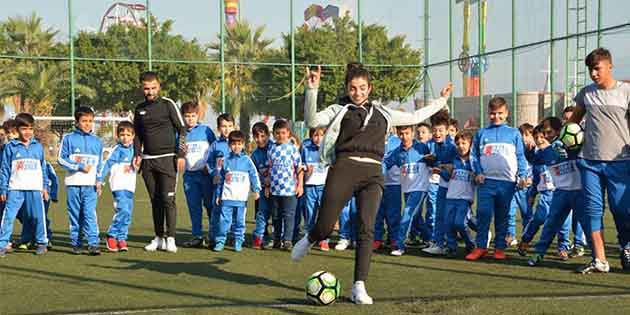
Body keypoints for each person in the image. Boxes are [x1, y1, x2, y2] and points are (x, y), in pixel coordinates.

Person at [291, 63, 452, 304]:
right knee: (325, 226)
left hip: (373, 174)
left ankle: (359, 286)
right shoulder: (340, 109)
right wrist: (312, 89)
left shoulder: (383, 113)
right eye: (353, 88)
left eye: (362, 88)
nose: (357, 92)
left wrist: (440, 101)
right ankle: (311, 237)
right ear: (347, 88)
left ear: (370, 88)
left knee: (367, 228)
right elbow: (313, 120)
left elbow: (415, 116)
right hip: (344, 168)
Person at [560, 48, 630, 273]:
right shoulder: (586, 93)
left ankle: (626, 246)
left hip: (620, 161)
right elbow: (573, 122)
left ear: (610, 66)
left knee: (622, 210)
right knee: (592, 210)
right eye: (590, 69)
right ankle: (600, 259)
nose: (593, 73)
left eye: (597, 68)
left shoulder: (626, 92)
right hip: (589, 162)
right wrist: (569, 136)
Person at [466, 96, 529, 261]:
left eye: (500, 113)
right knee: (483, 214)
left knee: (503, 216)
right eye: (493, 113)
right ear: (488, 113)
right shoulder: (482, 133)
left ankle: (499, 248)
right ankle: (480, 247)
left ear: (506, 113)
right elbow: (473, 156)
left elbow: (521, 157)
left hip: (507, 183)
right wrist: (478, 172)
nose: (496, 117)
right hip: (486, 182)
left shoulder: (514, 133)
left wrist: (523, 176)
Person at [133, 71, 187, 253]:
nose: (150, 91)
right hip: (148, 162)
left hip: (168, 160)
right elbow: (138, 135)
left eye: (153, 88)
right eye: (146, 88)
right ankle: (158, 238)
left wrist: (180, 154)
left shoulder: (168, 104)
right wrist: (137, 154)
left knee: (167, 199)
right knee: (155, 201)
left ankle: (171, 238)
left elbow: (182, 130)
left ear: (159, 86)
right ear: (142, 88)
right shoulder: (139, 109)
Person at [527, 117, 587, 266]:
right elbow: (534, 160)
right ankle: (539, 253)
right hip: (560, 192)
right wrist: (527, 150)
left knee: (588, 224)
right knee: (551, 224)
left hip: (579, 191)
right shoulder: (546, 151)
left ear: (559, 131)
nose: (546, 136)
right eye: (544, 133)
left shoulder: (571, 144)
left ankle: (597, 256)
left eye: (549, 132)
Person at [516, 125, 571, 259]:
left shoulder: (557, 150)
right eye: (536, 138)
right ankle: (525, 240)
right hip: (547, 193)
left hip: (562, 191)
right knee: (539, 218)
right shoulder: (538, 156)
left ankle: (562, 247)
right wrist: (533, 194)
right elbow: (536, 177)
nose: (539, 140)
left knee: (564, 222)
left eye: (542, 137)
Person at [0, 113, 49, 257]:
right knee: (8, 216)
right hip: (15, 189)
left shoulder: (38, 147)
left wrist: (44, 187)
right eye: (24, 128)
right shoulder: (10, 147)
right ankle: (2, 244)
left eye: (30, 129)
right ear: (17, 129)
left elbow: (43, 168)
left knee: (38, 217)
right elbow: (4, 170)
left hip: (34, 189)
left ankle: (42, 242)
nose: (27, 132)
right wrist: (3, 189)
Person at [58, 106, 103, 255]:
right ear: (77, 122)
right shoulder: (68, 138)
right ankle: (76, 243)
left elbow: (100, 164)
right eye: (84, 121)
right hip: (73, 185)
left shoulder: (97, 141)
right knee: (75, 214)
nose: (88, 124)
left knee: (90, 213)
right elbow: (61, 159)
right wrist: (78, 166)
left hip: (90, 187)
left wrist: (99, 181)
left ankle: (93, 243)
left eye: (90, 121)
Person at [383, 125, 431, 256]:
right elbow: (385, 163)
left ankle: (399, 246)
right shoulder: (397, 152)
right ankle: (430, 239)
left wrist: (435, 163)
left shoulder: (422, 147)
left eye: (407, 133)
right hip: (407, 189)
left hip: (420, 188)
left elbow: (434, 158)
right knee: (415, 218)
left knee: (407, 214)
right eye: (401, 134)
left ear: (412, 133)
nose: (404, 137)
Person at [213, 130, 261, 252]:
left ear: (243, 145)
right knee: (224, 221)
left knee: (240, 222)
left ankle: (238, 240)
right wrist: (218, 195)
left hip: (241, 199)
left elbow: (254, 175)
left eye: (239, 144)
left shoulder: (247, 160)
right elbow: (220, 179)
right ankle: (220, 241)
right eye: (234, 144)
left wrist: (256, 190)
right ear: (229, 145)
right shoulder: (225, 160)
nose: (236, 146)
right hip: (227, 198)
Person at [180, 102, 216, 248]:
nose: (190, 119)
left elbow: (215, 149)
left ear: (198, 115)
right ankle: (197, 236)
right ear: (182, 117)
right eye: (187, 116)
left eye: (193, 116)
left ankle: (214, 235)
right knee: (194, 207)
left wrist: (210, 167)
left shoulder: (206, 130)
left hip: (206, 175)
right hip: (190, 176)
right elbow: (178, 152)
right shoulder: (180, 133)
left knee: (210, 206)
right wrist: (180, 156)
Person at [97, 121, 137, 252]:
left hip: (130, 185)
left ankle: (122, 238)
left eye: (128, 134)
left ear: (133, 136)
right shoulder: (117, 150)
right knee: (123, 210)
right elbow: (106, 164)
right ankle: (112, 235)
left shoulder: (136, 149)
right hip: (118, 184)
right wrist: (100, 179)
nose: (125, 137)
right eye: (122, 134)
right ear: (118, 136)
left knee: (128, 213)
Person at [265, 119, 304, 250]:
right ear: (273, 134)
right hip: (275, 190)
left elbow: (299, 168)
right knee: (276, 216)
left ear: (288, 133)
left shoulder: (293, 149)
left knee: (289, 216)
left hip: (289, 190)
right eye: (277, 133)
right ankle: (276, 239)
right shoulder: (271, 149)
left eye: (283, 133)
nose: (280, 135)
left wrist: (300, 185)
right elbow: (269, 169)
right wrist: (268, 186)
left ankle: (287, 240)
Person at [423, 113, 457, 256]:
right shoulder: (438, 146)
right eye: (435, 130)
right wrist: (432, 160)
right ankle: (439, 243)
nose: (437, 134)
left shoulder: (451, 146)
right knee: (440, 215)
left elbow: (451, 170)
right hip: (442, 185)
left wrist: (439, 168)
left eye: (440, 130)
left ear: (448, 130)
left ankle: (482, 234)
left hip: (454, 187)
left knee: (457, 217)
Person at [444, 131, 476, 257]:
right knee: (448, 224)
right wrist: (441, 172)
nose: (461, 146)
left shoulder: (474, 163)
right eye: (458, 144)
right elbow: (447, 177)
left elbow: (478, 178)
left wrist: (477, 176)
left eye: (464, 143)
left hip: (465, 199)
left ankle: (470, 244)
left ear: (470, 144)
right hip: (451, 197)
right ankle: (452, 247)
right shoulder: (454, 161)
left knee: (460, 223)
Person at [207, 113, 235, 245]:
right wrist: (214, 174)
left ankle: (233, 236)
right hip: (218, 184)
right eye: (224, 126)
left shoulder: (238, 144)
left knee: (233, 211)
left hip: (233, 186)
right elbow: (209, 162)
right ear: (218, 128)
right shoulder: (215, 145)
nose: (227, 129)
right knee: (216, 211)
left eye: (230, 126)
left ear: (234, 127)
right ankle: (213, 236)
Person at [301, 127, 330, 251]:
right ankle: (309, 238)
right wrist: (306, 170)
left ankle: (324, 239)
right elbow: (301, 165)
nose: (318, 139)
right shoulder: (306, 149)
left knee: (324, 213)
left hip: (324, 187)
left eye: (321, 135)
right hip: (310, 186)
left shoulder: (329, 150)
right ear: (311, 136)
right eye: (315, 135)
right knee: (310, 213)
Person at [506, 123, 535, 247]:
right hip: (513, 188)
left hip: (526, 190)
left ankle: (525, 237)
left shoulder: (535, 153)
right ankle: (510, 236)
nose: (524, 138)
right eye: (522, 135)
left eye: (528, 135)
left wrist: (532, 181)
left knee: (527, 214)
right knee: (509, 212)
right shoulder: (515, 151)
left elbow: (540, 170)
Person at [373, 129, 401, 250]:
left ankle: (394, 238)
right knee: (377, 212)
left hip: (394, 183)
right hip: (376, 182)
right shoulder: (373, 139)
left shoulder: (397, 141)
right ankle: (377, 239)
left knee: (393, 213)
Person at [250, 122, 274, 249]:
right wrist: (257, 188)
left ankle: (278, 237)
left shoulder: (275, 149)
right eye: (257, 137)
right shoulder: (254, 155)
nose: (260, 139)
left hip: (277, 189)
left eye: (263, 136)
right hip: (263, 190)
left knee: (277, 214)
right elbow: (254, 174)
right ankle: (259, 237)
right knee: (261, 213)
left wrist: (270, 185)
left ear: (268, 135)